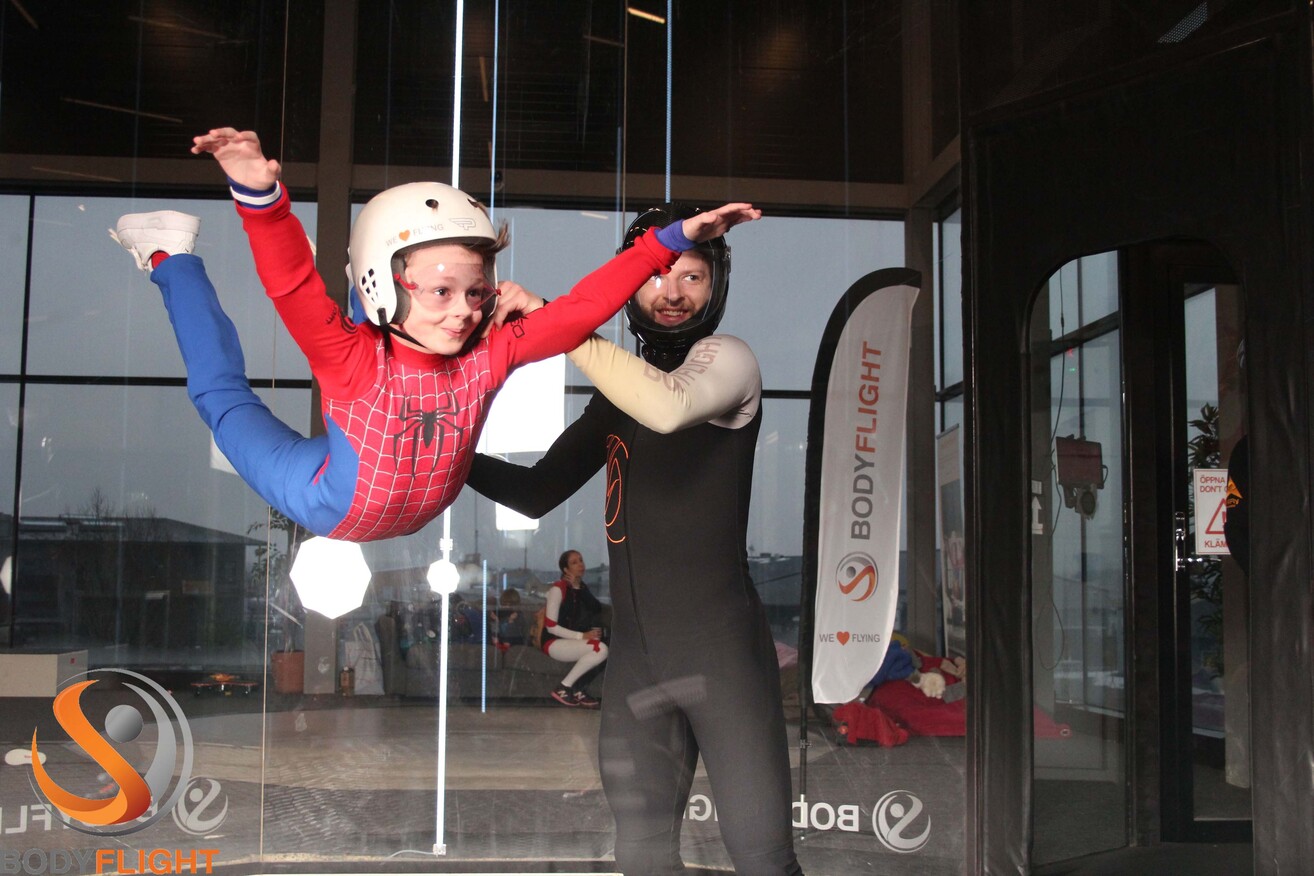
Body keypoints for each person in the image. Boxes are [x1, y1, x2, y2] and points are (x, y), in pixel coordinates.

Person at [109, 127, 760, 543]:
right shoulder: (348, 359)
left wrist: (672, 241)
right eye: (442, 293)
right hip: (326, 496)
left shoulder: (492, 350)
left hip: (414, 488)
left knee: (405, 320)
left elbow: (586, 305)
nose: (462, 311)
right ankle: (171, 256)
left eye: (476, 290)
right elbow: (289, 288)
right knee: (224, 401)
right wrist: (260, 199)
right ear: (381, 284)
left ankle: (369, 271)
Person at [466, 204, 801, 874]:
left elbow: (670, 407)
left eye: (694, 278)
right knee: (643, 857)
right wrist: (439, 451)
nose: (672, 292)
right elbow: (535, 492)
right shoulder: (615, 395)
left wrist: (563, 323)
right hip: (637, 669)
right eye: (658, 275)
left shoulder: (729, 360)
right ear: (632, 283)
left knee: (763, 860)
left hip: (723, 663)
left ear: (716, 290)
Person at [542, 549, 607, 708]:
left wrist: (578, 587)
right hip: (553, 642)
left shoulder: (579, 588)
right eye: (574, 562)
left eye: (581, 560)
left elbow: (596, 607)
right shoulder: (558, 589)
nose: (580, 564)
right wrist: (582, 636)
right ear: (565, 569)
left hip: (569, 641)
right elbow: (551, 627)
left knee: (608, 645)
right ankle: (564, 687)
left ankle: (579, 690)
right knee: (600, 648)